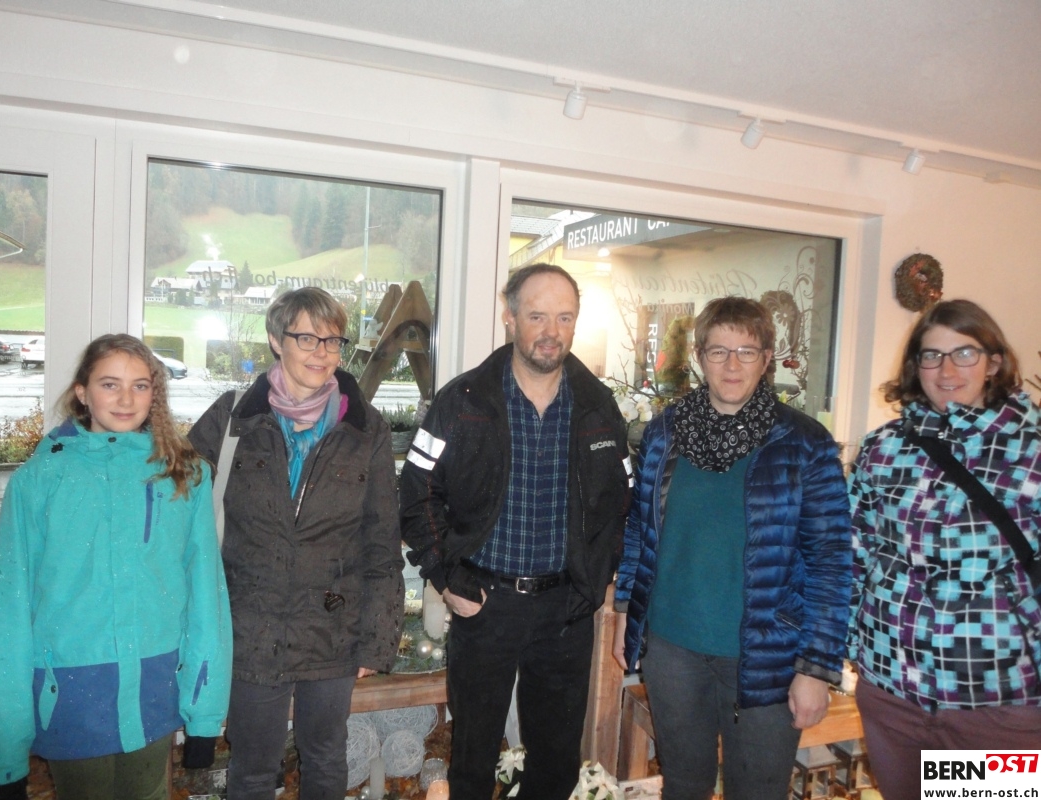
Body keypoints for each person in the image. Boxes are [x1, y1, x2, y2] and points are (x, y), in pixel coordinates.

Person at [399, 263, 632, 800]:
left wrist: (597, 577)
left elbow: (623, 501)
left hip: (566, 610)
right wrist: (446, 577)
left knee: (557, 764)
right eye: (537, 316)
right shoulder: (463, 402)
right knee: (473, 760)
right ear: (509, 317)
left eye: (564, 317)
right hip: (485, 603)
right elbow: (415, 493)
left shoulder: (597, 408)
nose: (551, 330)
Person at [614, 296, 852, 800]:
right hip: (672, 649)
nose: (732, 365)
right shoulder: (664, 433)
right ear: (699, 357)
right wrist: (624, 617)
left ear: (766, 359)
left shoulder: (803, 443)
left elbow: (832, 563)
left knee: (757, 791)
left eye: (746, 351)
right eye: (719, 351)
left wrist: (816, 669)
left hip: (766, 657)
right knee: (683, 785)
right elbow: (638, 530)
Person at [0, 333, 231, 800]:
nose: (126, 399)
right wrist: (4, 752)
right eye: (110, 384)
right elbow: (6, 615)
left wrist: (204, 714)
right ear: (82, 392)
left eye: (140, 385)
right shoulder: (39, 481)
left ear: (155, 394)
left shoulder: (183, 477)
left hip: (154, 687)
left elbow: (206, 597)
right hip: (71, 694)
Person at [188, 287, 403, 800]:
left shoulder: (365, 428)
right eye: (306, 337)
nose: (321, 352)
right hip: (251, 625)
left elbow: (381, 541)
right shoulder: (232, 418)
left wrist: (376, 638)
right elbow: (179, 506)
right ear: (274, 339)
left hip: (332, 626)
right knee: (253, 768)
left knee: (326, 757)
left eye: (332, 340)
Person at [848, 299, 1041, 800]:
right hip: (892, 693)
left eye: (964, 353)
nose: (947, 370)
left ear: (994, 362)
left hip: (994, 698)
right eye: (932, 356)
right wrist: (851, 650)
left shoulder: (1031, 450)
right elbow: (853, 554)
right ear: (916, 365)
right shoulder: (884, 449)